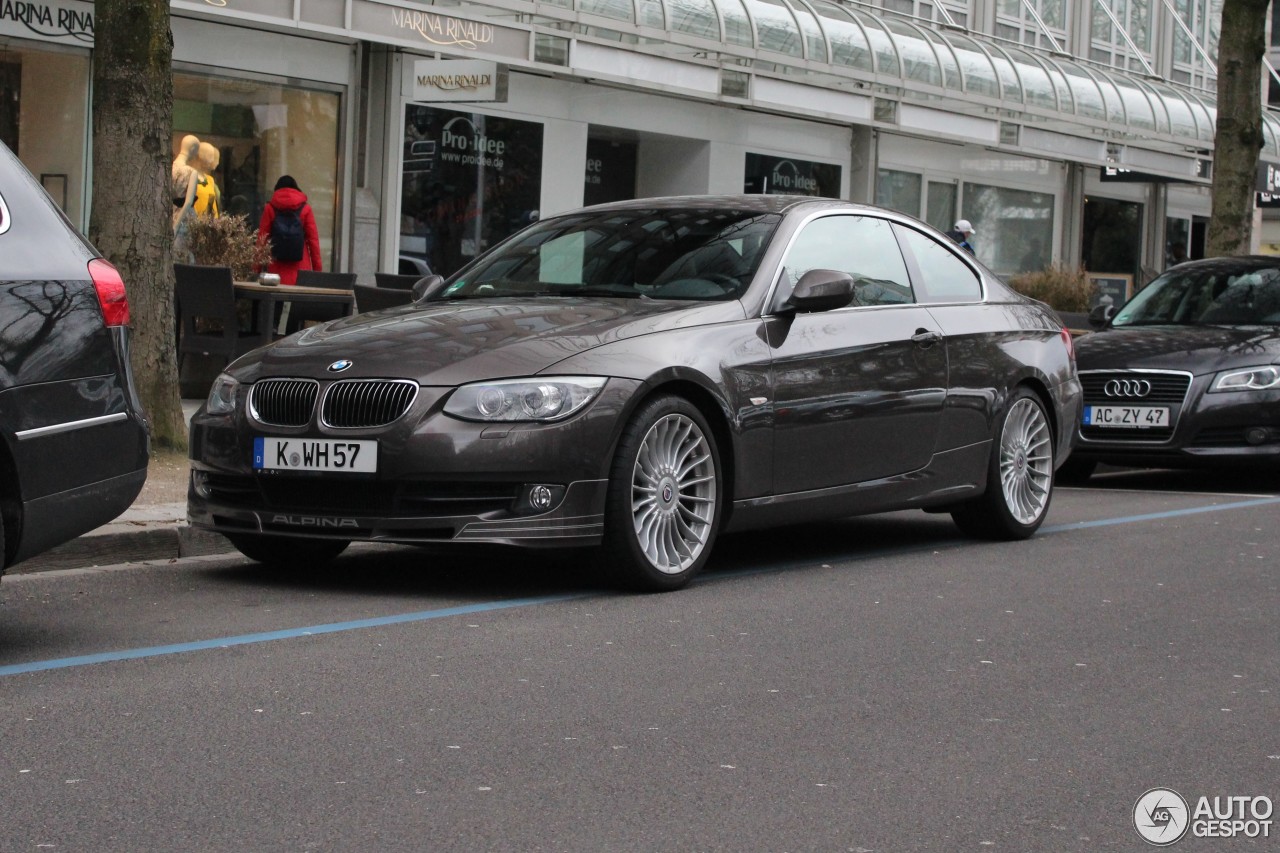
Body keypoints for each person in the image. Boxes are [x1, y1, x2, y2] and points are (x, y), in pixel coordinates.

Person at [257, 175, 322, 285]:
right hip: (301, 271)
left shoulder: (270, 208)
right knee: (298, 301)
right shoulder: (305, 209)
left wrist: (256, 269)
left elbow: (262, 240)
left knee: (275, 301)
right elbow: (313, 242)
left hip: (275, 273)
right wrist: (317, 272)